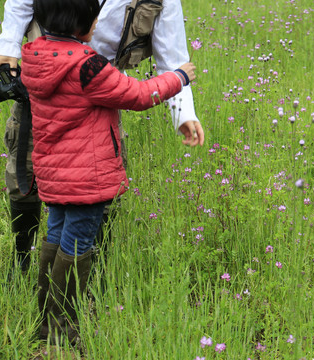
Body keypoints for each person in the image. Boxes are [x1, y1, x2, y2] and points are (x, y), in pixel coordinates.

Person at [19, 0, 196, 343]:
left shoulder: (34, 56)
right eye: (95, 17)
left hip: (54, 174)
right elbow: (138, 94)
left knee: (55, 235)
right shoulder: (89, 67)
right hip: (88, 177)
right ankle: (62, 328)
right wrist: (179, 77)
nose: (99, 23)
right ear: (82, 24)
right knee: (78, 244)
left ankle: (44, 318)